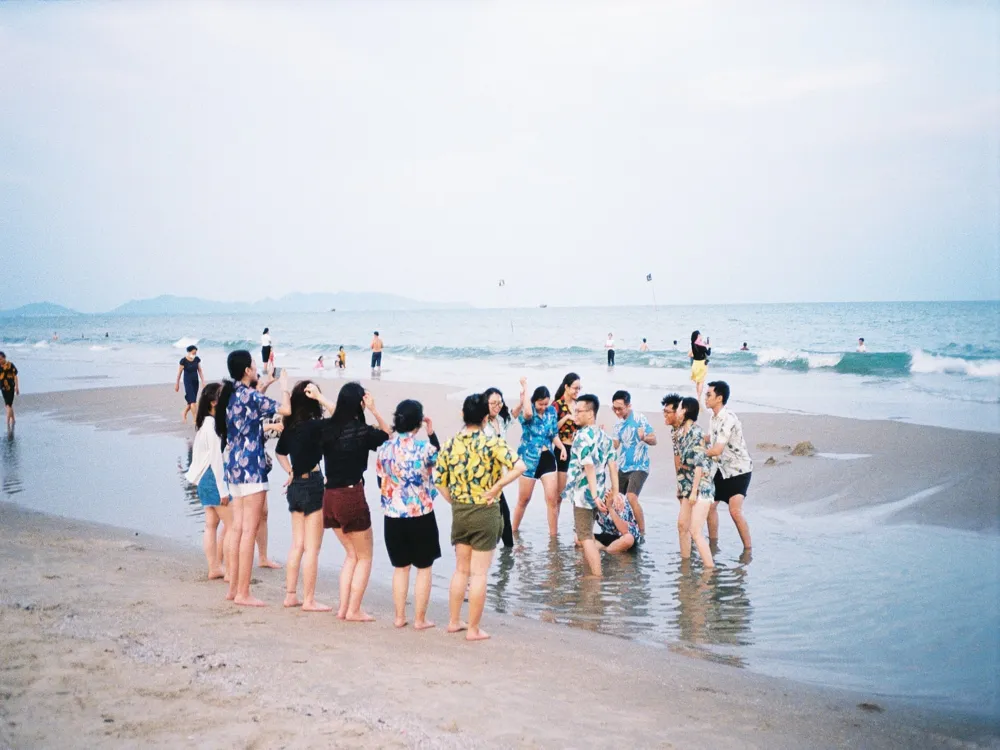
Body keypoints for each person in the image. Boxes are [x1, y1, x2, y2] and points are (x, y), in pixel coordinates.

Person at [434, 393, 526, 641]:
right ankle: (473, 628)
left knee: (460, 570)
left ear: (463, 415)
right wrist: (497, 487)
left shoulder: (450, 443)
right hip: (485, 511)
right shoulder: (491, 443)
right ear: (486, 418)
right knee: (479, 574)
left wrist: (453, 500)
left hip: (461, 511)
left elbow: (438, 480)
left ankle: (454, 621)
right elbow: (520, 466)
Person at [215, 350, 291, 607]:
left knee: (237, 529)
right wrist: (285, 387)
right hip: (251, 469)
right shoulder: (250, 395)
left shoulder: (232, 394)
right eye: (254, 364)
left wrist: (265, 384)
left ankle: (234, 588)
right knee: (249, 530)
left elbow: (253, 405)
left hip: (234, 466)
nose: (256, 366)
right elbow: (286, 410)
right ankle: (243, 593)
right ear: (247, 370)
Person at [317, 382, 390, 621]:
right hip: (351, 495)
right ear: (360, 403)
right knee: (365, 556)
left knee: (351, 555)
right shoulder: (361, 431)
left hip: (329, 496)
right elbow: (388, 436)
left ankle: (343, 609)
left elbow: (336, 417)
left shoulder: (328, 428)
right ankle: (354, 609)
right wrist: (375, 410)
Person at [375, 399, 442, 630]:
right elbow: (440, 463)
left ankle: (399, 616)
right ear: (418, 423)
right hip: (421, 514)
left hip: (392, 516)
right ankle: (420, 619)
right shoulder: (425, 448)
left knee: (400, 567)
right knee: (424, 567)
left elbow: (380, 480)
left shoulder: (384, 448)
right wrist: (432, 434)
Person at [274, 381, 331, 612]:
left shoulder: (292, 427)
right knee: (312, 548)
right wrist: (320, 397)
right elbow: (341, 419)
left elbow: (279, 453)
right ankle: (308, 600)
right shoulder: (315, 426)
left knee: (297, 544)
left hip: (295, 484)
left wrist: (290, 471)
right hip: (312, 483)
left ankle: (290, 595)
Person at [563, 394, 618, 577]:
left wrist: (593, 495)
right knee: (587, 534)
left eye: (579, 411)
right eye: (575, 410)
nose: (575, 414)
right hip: (598, 494)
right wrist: (614, 492)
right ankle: (590, 574)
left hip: (584, 495)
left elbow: (589, 467)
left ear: (591, 413)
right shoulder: (605, 437)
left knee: (584, 537)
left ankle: (596, 578)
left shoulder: (581, 437)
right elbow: (612, 466)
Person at [186, 383, 232, 580]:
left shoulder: (205, 424)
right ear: (214, 402)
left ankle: (214, 567)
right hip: (212, 477)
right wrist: (223, 491)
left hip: (203, 478)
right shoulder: (212, 427)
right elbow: (216, 460)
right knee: (233, 525)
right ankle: (229, 571)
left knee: (211, 524)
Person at [510, 379, 564, 536]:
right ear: (534, 401)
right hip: (529, 460)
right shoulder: (528, 411)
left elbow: (554, 434)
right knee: (524, 499)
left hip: (548, 458)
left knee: (552, 499)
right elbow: (527, 413)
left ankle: (553, 537)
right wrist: (525, 388)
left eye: (546, 403)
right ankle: (513, 532)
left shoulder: (551, 412)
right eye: (541, 404)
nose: (544, 407)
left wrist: (561, 448)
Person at [705, 381, 753, 552]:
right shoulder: (713, 417)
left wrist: (697, 454)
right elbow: (710, 438)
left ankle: (748, 550)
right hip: (721, 469)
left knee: (734, 511)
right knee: (710, 507)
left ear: (719, 398)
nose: (705, 397)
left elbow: (717, 449)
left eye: (709, 395)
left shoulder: (729, 418)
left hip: (739, 470)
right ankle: (713, 546)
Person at [674, 396, 714, 568]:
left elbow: (699, 464)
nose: (676, 411)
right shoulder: (679, 433)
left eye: (678, 408)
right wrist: (682, 488)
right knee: (682, 525)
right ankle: (685, 566)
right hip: (687, 487)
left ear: (685, 411)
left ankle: (710, 570)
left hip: (700, 487)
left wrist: (693, 491)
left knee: (695, 531)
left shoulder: (697, 433)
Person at [611, 390, 656, 535]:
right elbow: (616, 445)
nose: (617, 412)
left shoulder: (639, 419)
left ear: (628, 406)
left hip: (640, 466)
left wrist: (644, 438)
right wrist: (603, 439)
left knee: (631, 497)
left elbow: (654, 440)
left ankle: (642, 533)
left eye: (620, 408)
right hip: (623, 466)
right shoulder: (617, 424)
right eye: (614, 408)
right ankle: (621, 530)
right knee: (617, 499)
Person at [483, 386, 515, 547]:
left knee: (504, 516)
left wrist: (523, 397)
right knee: (499, 517)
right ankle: (505, 558)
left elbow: (513, 416)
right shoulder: (481, 425)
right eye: (493, 403)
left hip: (497, 478)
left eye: (500, 402)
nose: (497, 405)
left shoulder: (500, 420)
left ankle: (507, 558)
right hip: (484, 479)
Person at [553, 372, 582, 498]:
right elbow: (551, 429)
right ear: (566, 387)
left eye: (579, 388)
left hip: (578, 449)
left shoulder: (579, 404)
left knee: (578, 490)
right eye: (575, 388)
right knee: (560, 493)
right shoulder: (556, 405)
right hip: (562, 449)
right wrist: (566, 418)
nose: (578, 391)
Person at [175, 345, 205, 423]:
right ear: (189, 352)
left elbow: (200, 371)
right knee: (193, 402)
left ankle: (184, 412)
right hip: (188, 382)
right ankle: (195, 419)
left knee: (192, 400)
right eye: (193, 353)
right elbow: (179, 374)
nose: (194, 354)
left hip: (195, 381)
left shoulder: (196, 360)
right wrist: (177, 384)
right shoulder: (183, 361)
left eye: (195, 353)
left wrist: (203, 381)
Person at [0, 352, 19, 434]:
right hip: (3, 388)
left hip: (10, 387)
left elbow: (15, 376)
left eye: (0, 359)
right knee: (8, 405)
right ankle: (13, 419)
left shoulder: (10, 365)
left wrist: (17, 387)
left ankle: (7, 422)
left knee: (8, 405)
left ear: (4, 357)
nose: (0, 361)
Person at [689, 331, 711, 400]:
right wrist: (709, 347)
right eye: (700, 335)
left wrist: (704, 344)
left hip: (695, 364)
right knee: (701, 382)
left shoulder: (693, 344)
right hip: (701, 364)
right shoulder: (702, 346)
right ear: (698, 336)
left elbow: (693, 353)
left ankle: (698, 396)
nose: (701, 336)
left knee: (698, 382)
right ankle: (699, 397)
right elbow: (708, 353)